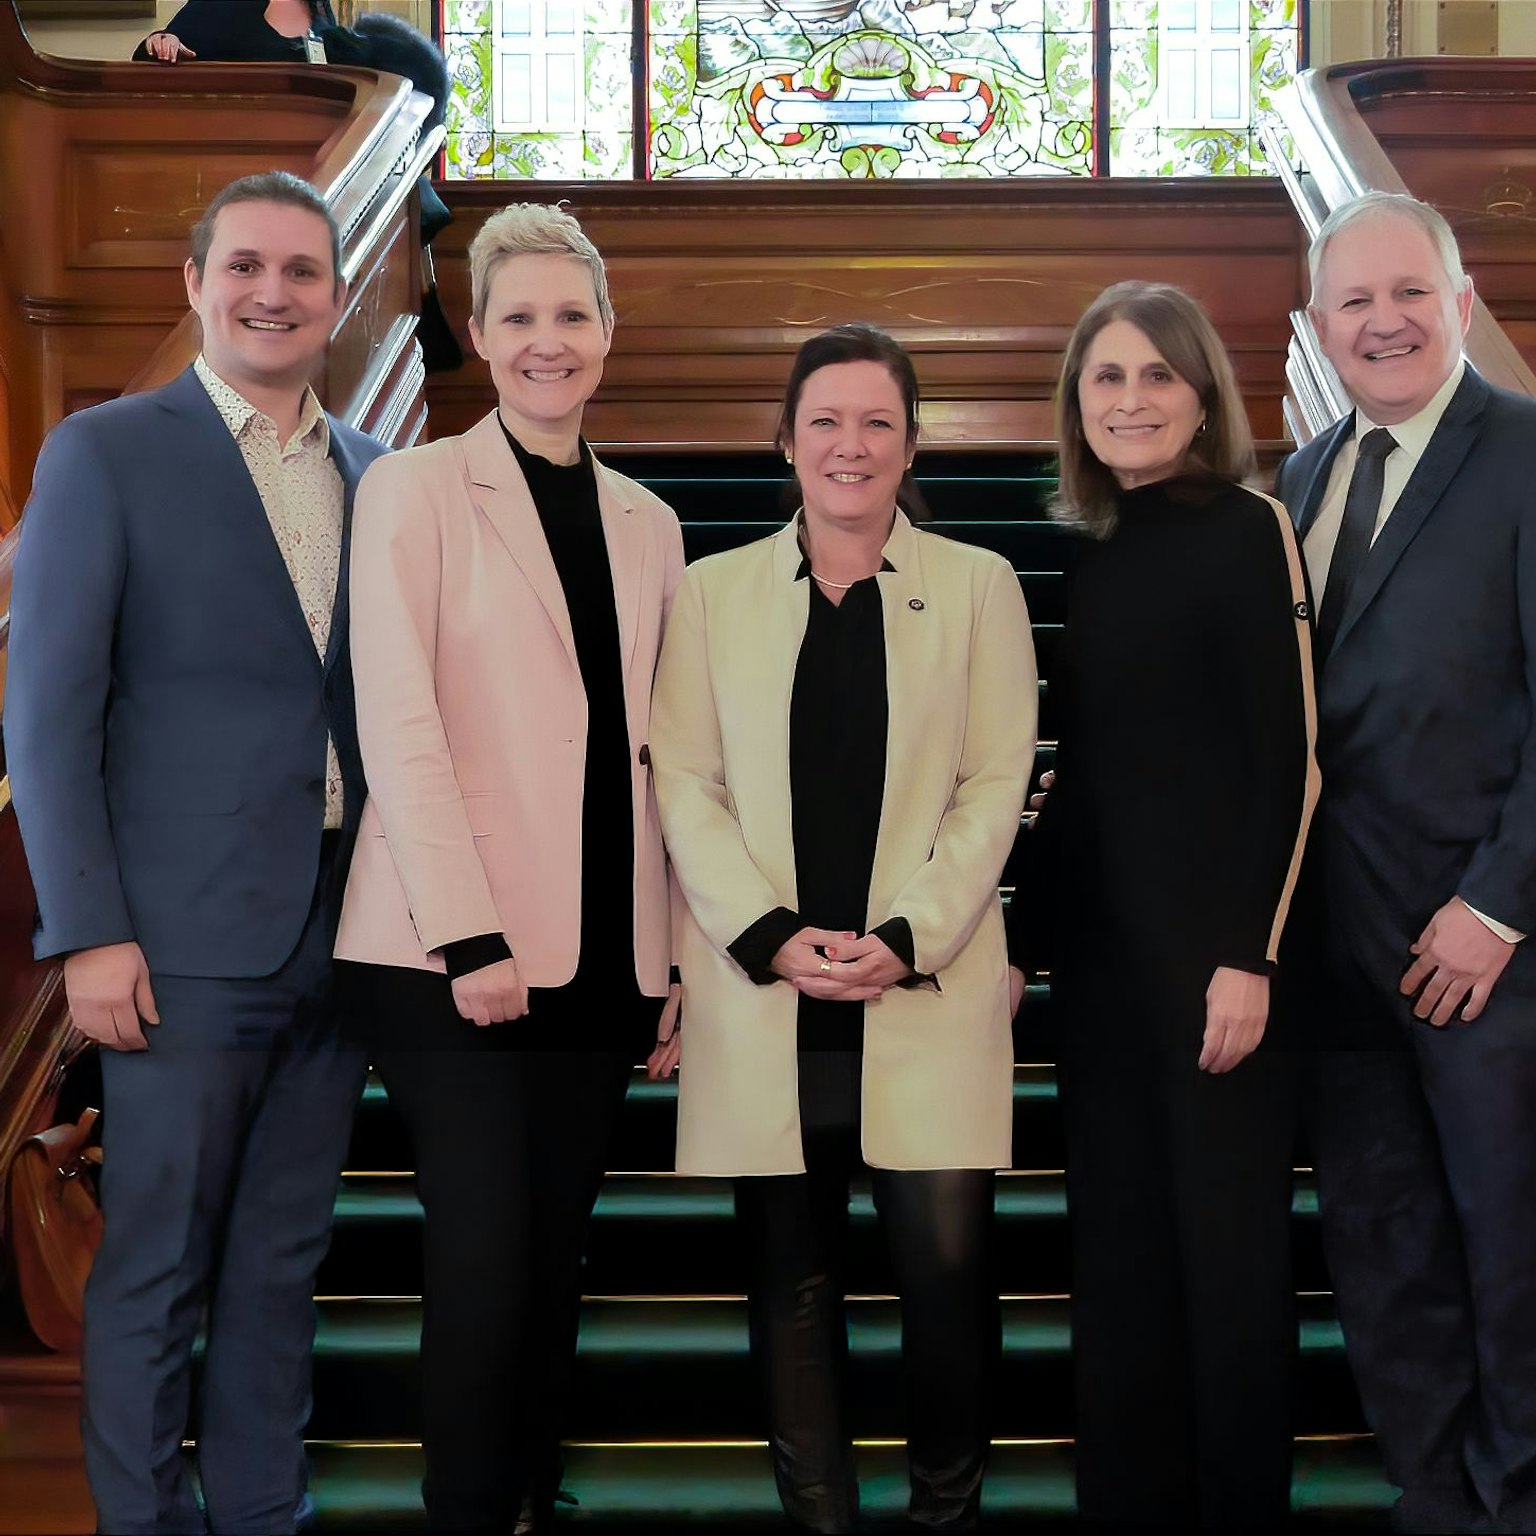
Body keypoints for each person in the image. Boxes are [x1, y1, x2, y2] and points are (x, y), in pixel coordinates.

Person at [5, 170, 385, 1535]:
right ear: (195, 283)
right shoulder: (109, 452)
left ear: (339, 299)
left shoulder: (375, 473)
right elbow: (45, 711)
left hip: (343, 938)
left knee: (284, 1270)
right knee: (156, 1272)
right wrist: (86, 932)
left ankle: (262, 1520)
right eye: (245, 267)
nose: (272, 293)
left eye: (300, 271)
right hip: (171, 949)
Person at [650, 323, 1037, 1534]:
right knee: (792, 1291)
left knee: (948, 1286)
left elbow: (994, 782)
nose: (851, 444)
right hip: (771, 997)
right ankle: (819, 1520)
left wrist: (909, 935)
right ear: (786, 439)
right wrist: (767, 933)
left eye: (877, 421)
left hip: (918, 989)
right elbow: (684, 784)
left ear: (912, 442)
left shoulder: (979, 585)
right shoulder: (710, 595)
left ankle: (943, 1514)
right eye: (825, 420)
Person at [333, 202, 684, 1535]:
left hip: (601, 949)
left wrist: (666, 960)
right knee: (482, 1256)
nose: (548, 341)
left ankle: (530, 1498)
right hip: (442, 950)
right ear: (478, 337)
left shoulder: (648, 520)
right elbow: (398, 723)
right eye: (519, 317)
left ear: (608, 333)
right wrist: (468, 938)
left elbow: (655, 753)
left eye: (572, 316)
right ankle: (469, 1513)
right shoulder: (413, 489)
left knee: (550, 1255)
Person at [1012, 281, 1318, 1528]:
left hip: (1215, 974)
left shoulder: (1250, 527)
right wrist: (1025, 939)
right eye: (1106, 379)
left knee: (1231, 1260)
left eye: (1155, 377)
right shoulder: (1088, 549)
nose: (1129, 400)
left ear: (1201, 397)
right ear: (1077, 405)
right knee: (1121, 1256)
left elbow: (1289, 760)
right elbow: (1080, 774)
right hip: (1101, 973)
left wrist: (1249, 956)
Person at [1274, 190, 1536, 1536]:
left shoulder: (1526, 456)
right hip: (1335, 948)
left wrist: (1499, 904)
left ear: (1463, 301)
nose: (1382, 320)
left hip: (1484, 948)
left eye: (1408, 293)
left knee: (1510, 1243)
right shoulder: (1306, 476)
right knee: (1384, 1246)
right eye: (1355, 300)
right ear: (1319, 323)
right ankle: (1434, 1490)